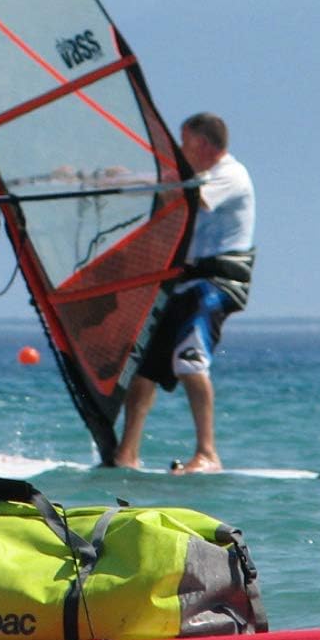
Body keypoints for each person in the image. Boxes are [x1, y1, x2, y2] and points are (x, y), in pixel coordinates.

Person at [113, 113, 255, 474]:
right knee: (144, 371)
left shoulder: (230, 175)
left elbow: (191, 197)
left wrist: (134, 183)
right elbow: (173, 184)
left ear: (204, 145)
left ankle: (208, 453)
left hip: (216, 284)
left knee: (190, 361)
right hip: (183, 285)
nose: (178, 151)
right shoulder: (199, 176)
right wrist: (109, 181)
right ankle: (126, 454)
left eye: (184, 143)